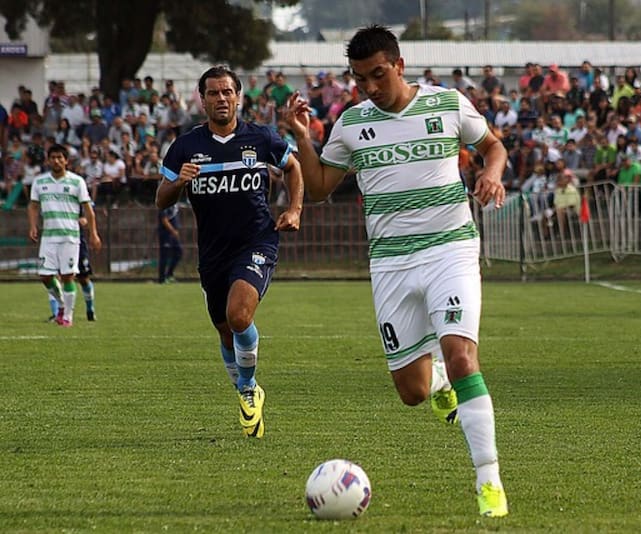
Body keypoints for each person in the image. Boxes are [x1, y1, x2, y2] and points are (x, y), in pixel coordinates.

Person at [285, 25, 508, 518]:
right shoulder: (351, 123)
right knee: (412, 392)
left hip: (450, 249)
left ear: (399, 66)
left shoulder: (447, 104)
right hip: (390, 262)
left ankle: (488, 480)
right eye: (360, 78)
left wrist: (491, 173)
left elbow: (494, 146)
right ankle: (438, 383)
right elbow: (318, 188)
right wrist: (302, 137)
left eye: (378, 75)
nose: (370, 87)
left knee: (461, 355)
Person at [155, 65, 303, 439]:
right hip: (213, 253)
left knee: (239, 316)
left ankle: (249, 387)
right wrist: (179, 183)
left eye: (227, 92)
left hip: (256, 241)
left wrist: (294, 209)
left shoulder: (261, 137)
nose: (221, 99)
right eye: (213, 93)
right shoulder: (186, 146)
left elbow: (293, 167)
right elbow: (161, 198)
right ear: (202, 100)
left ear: (238, 97)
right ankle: (242, 386)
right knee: (225, 331)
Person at [28, 144, 102, 327]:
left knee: (68, 275)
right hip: (48, 237)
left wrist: (93, 234)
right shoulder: (39, 182)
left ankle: (67, 316)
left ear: (66, 160)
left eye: (60, 157)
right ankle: (62, 305)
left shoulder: (77, 182)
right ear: (48, 160)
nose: (56, 161)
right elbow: (33, 206)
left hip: (70, 237)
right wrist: (33, 226)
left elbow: (88, 210)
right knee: (45, 276)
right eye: (53, 157)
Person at [157, 203, 183, 284]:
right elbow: (164, 219)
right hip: (166, 234)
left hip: (173, 235)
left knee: (179, 253)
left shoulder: (174, 204)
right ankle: (162, 279)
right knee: (164, 256)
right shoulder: (164, 203)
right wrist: (173, 230)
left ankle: (169, 274)